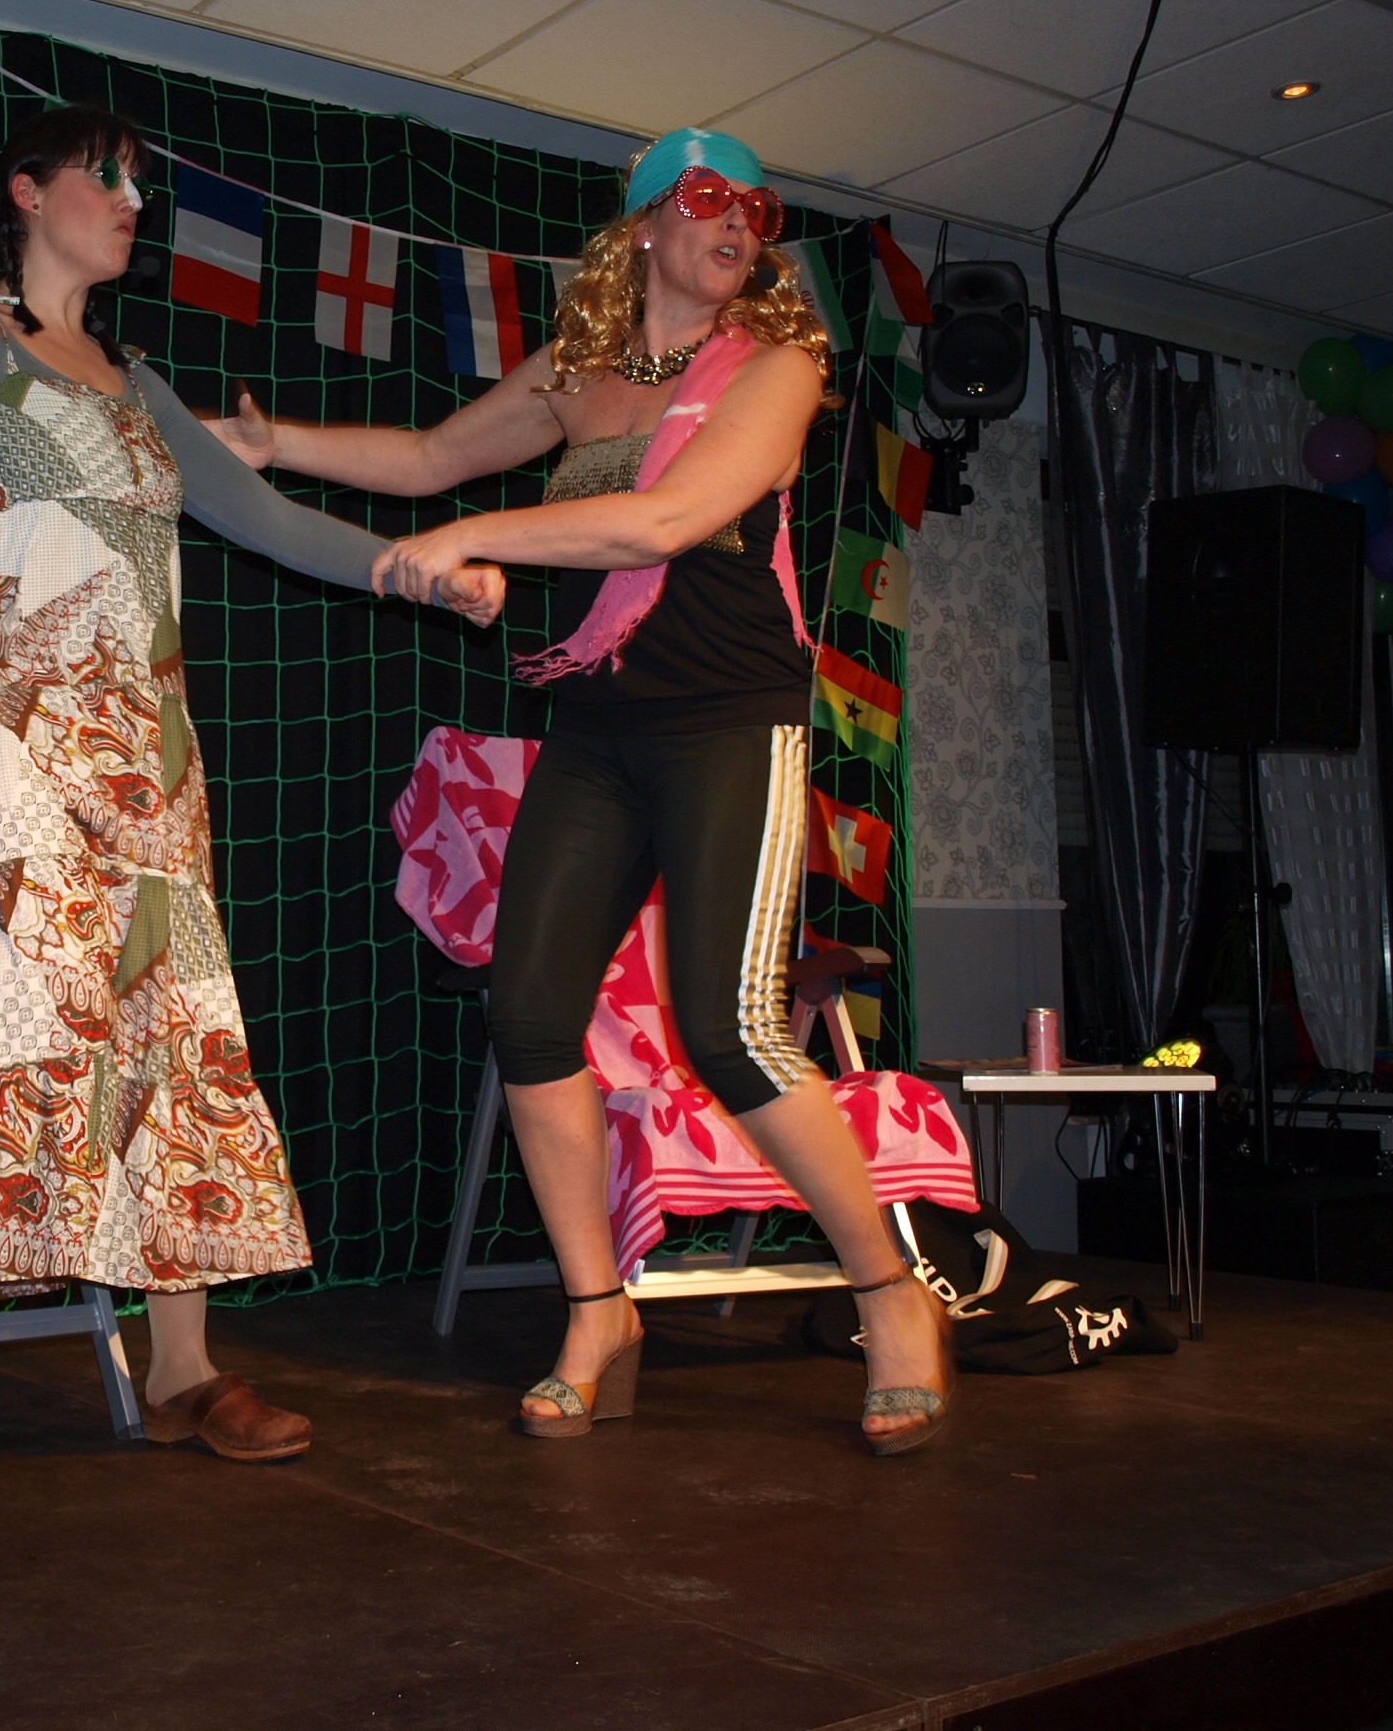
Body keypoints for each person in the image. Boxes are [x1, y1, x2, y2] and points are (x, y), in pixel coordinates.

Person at [0, 105, 505, 1508]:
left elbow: (266, 517)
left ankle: (182, 1368)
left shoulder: (138, 383)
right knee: (14, 1017)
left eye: (140, 185)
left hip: (146, 755)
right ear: (27, 190)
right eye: (104, 177)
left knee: (176, 1027)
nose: (131, 201)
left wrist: (417, 569)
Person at [213, 128, 955, 1455]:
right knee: (530, 1016)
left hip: (729, 721)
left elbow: (663, 522)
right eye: (711, 199)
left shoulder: (777, 364)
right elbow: (431, 456)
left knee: (732, 1031)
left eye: (758, 209)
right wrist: (277, 447)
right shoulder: (577, 370)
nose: (741, 224)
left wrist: (473, 536)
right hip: (600, 728)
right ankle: (599, 1313)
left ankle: (891, 1296)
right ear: (647, 223)